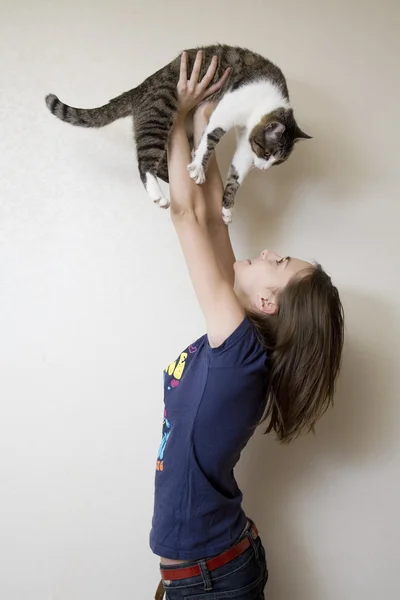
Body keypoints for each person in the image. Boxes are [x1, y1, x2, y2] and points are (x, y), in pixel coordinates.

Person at [151, 51, 344, 600]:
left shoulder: (237, 350)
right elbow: (209, 215)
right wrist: (202, 122)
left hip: (209, 579)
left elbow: (185, 214)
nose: (264, 251)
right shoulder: (240, 342)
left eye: (277, 263)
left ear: (268, 302)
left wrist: (175, 115)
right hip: (211, 571)